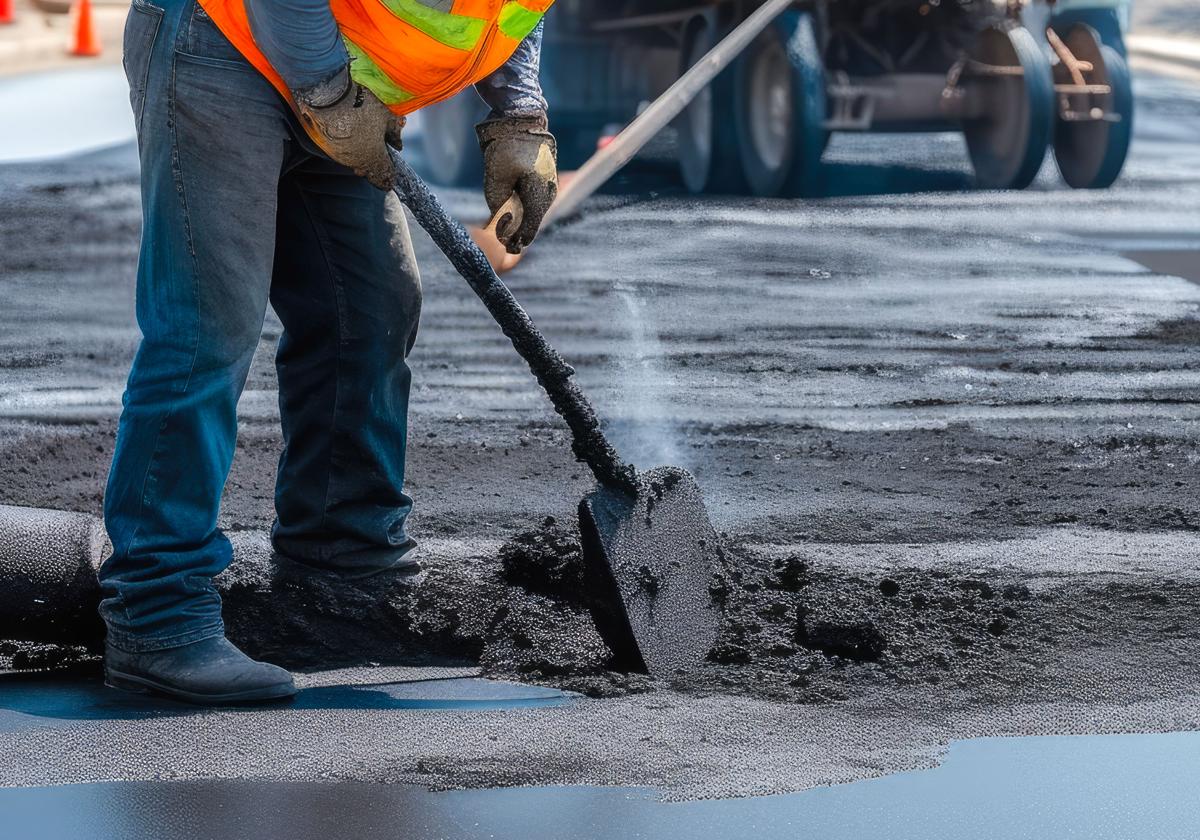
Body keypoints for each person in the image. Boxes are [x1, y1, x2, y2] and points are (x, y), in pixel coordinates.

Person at [100, 0, 557, 704]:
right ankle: (157, 616)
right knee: (205, 327)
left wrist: (519, 114)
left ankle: (345, 575)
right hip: (223, 43)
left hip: (337, 65)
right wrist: (328, 95)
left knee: (370, 307)